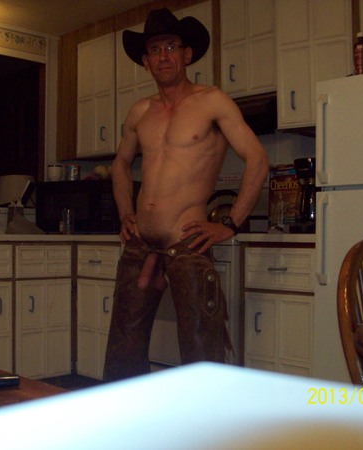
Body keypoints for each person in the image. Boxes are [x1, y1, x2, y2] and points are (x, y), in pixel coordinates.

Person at [103, 7, 269, 381]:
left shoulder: (212, 101)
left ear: (187, 54)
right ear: (145, 61)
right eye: (155, 49)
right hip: (139, 245)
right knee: (122, 349)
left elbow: (258, 159)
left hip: (187, 244)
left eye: (171, 47)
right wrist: (125, 213)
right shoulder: (140, 112)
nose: (163, 56)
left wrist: (230, 223)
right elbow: (120, 164)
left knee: (201, 353)